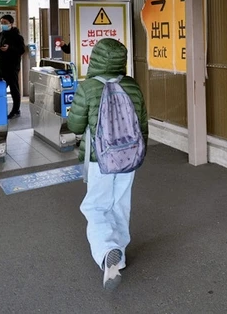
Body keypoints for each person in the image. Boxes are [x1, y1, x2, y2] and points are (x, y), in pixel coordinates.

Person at [67, 38, 148, 290]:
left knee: (95, 206)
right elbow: (142, 123)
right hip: (130, 157)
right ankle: (119, 256)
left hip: (99, 159)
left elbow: (75, 126)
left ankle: (106, 251)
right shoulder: (132, 86)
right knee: (120, 204)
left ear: (96, 58)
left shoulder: (88, 87)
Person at [0, 14, 25, 119]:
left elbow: (21, 50)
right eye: (1, 23)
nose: (3, 25)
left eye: (5, 23)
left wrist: (9, 48)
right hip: (1, 65)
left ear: (11, 23)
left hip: (12, 66)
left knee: (14, 88)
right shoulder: (1, 34)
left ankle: (16, 110)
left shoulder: (17, 37)